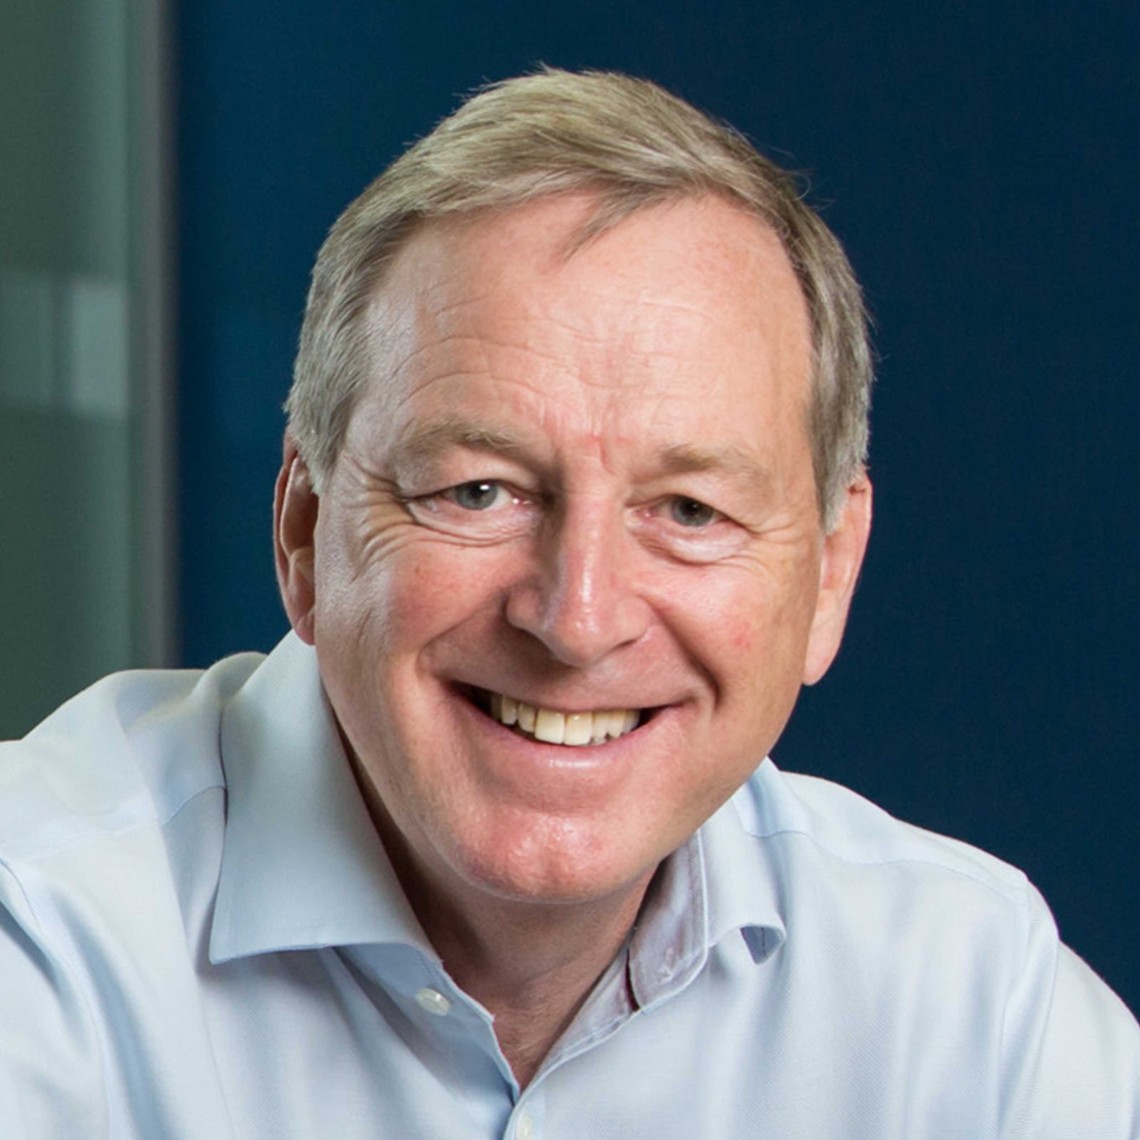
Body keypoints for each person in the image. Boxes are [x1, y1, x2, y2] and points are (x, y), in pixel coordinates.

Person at [1, 68, 1136, 1139]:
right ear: (304, 530)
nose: (578, 619)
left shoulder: (973, 1011)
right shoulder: (41, 935)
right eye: (478, 491)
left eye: (689, 510)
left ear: (831, 573)